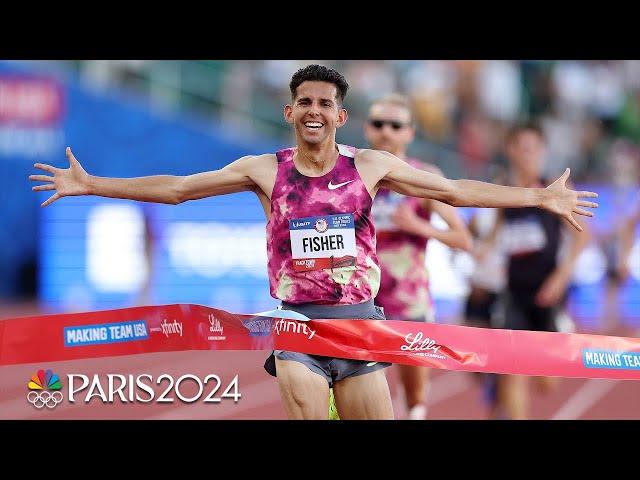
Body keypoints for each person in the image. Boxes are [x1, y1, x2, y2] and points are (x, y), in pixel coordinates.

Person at [29, 64, 598, 420]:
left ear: (341, 116)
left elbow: (451, 189)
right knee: (301, 394)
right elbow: (179, 188)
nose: (315, 111)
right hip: (297, 324)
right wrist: (93, 184)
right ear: (289, 111)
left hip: (360, 324)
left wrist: (538, 198)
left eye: (325, 103)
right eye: (305, 102)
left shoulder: (372, 166)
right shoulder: (265, 170)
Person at [364, 94, 473, 420]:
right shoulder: (354, 177)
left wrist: (419, 226)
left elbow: (462, 238)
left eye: (395, 125)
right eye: (379, 123)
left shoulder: (423, 176)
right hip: (363, 301)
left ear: (410, 132)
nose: (386, 131)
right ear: (367, 129)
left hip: (410, 302)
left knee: (414, 398)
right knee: (367, 394)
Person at [480, 121, 592, 419]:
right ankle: (504, 387)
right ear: (510, 150)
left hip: (549, 294)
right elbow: (494, 235)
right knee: (515, 369)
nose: (526, 154)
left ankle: (519, 372)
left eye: (532, 148)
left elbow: (582, 236)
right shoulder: (504, 190)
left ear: (541, 150)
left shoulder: (555, 188)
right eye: (520, 147)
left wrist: (560, 277)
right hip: (513, 293)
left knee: (546, 382)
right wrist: (478, 250)